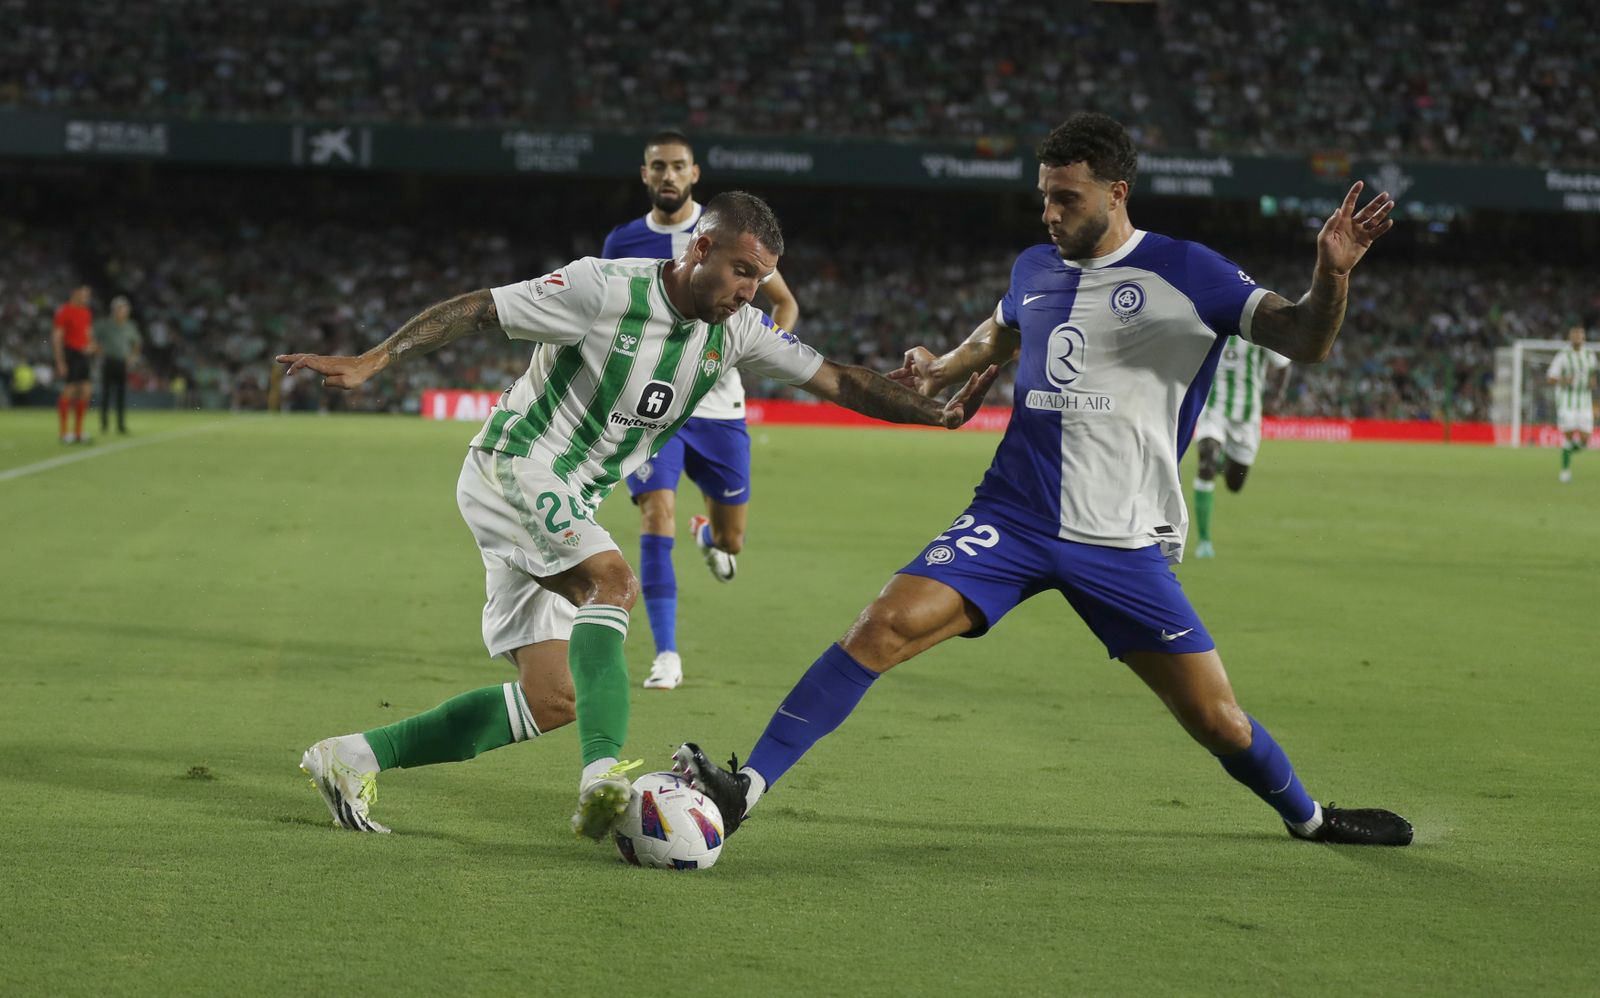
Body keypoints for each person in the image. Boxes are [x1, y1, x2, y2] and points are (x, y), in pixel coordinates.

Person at [675, 113, 1413, 849]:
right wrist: (942, 368)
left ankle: (1311, 819)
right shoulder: (1035, 266)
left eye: (1067, 199)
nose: (1049, 213)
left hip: (1120, 539)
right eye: (1045, 197)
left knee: (1216, 720)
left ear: (1117, 193)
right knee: (881, 626)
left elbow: (1305, 339)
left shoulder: (1191, 272)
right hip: (1013, 515)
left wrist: (1332, 273)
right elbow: (1000, 330)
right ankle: (747, 790)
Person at [277, 191, 997, 838]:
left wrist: (935, 412)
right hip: (517, 465)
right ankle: (601, 780)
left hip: (569, 495)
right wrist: (375, 359)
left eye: (762, 279)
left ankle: (350, 758)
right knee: (611, 584)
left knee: (553, 698)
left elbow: (841, 379)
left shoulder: (738, 330)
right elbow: (479, 308)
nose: (750, 291)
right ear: (701, 247)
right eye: (743, 271)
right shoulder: (603, 286)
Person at [601, 131, 803, 691]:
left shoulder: (725, 237)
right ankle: (666, 653)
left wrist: (755, 354)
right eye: (658, 167)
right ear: (645, 175)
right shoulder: (622, 242)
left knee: (733, 539)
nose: (668, 175)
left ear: (695, 174)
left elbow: (783, 303)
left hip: (718, 405)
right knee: (653, 515)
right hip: (651, 405)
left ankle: (710, 537)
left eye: (678, 166)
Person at [1191, 335, 1291, 557]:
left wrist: (1277, 396)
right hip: (1213, 408)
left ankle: (1221, 459)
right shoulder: (1213, 322)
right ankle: (1204, 541)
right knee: (1205, 461)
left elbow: (1284, 364)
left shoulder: (1258, 328)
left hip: (1247, 418)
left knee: (1234, 484)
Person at [1546, 323, 1594, 483]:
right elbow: (1550, 378)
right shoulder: (1562, 356)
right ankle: (1565, 471)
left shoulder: (1590, 355)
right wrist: (1564, 380)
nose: (1577, 337)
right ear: (1570, 337)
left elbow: (1592, 376)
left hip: (1585, 402)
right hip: (1566, 402)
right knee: (1568, 436)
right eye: (1574, 334)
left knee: (1585, 439)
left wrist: (1592, 383)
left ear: (1584, 336)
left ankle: (1566, 452)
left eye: (1580, 334)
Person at [52, 285, 96, 443]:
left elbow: (88, 333)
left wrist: (91, 345)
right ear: (74, 294)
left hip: (83, 355)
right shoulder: (64, 311)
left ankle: (78, 432)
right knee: (70, 390)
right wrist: (60, 362)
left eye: (87, 295)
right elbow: (57, 337)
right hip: (70, 353)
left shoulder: (86, 312)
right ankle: (64, 432)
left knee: (85, 391)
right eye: (83, 295)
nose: (86, 298)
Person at [94, 296, 142, 435]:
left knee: (121, 395)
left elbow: (137, 343)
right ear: (114, 310)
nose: (122, 312)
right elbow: (93, 338)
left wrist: (132, 358)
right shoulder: (106, 325)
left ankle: (120, 425)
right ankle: (104, 424)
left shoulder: (130, 326)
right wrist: (99, 351)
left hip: (122, 362)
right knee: (106, 395)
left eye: (124, 309)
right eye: (120, 309)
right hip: (108, 361)